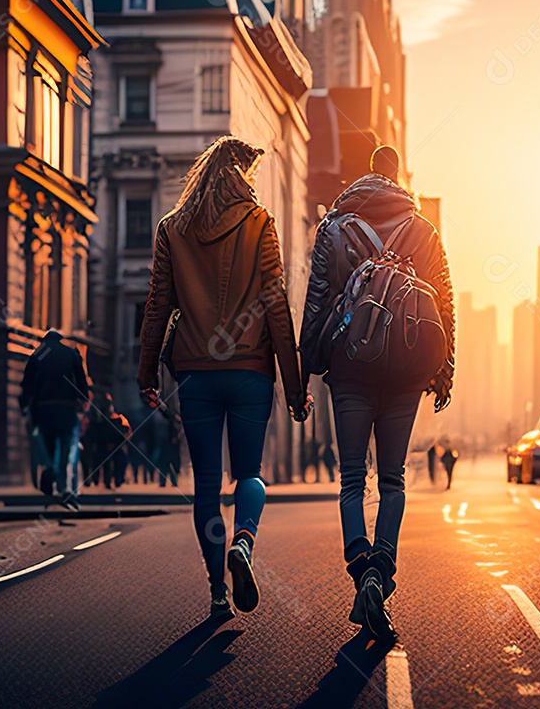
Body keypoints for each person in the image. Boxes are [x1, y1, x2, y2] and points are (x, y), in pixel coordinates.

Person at [138, 135, 310, 626]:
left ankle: (217, 592)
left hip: (195, 373)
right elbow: (276, 304)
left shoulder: (172, 228)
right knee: (249, 473)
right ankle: (243, 543)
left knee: (207, 485)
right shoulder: (260, 222)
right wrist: (295, 387)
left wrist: (146, 372)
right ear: (242, 174)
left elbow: (158, 305)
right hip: (251, 369)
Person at [300, 144, 455, 642]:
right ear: (398, 179)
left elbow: (317, 299)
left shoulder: (334, 226)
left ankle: (360, 566)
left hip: (350, 367)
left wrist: (305, 368)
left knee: (352, 479)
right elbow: (444, 302)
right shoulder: (423, 229)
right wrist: (444, 368)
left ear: (366, 177)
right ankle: (382, 569)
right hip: (408, 369)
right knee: (393, 479)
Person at [19, 330, 90, 509]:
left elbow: (27, 384)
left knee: (47, 443)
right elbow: (81, 382)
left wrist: (24, 405)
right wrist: (82, 400)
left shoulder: (38, 355)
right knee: (65, 444)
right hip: (66, 407)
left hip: (44, 408)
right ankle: (62, 484)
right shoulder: (71, 354)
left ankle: (49, 471)